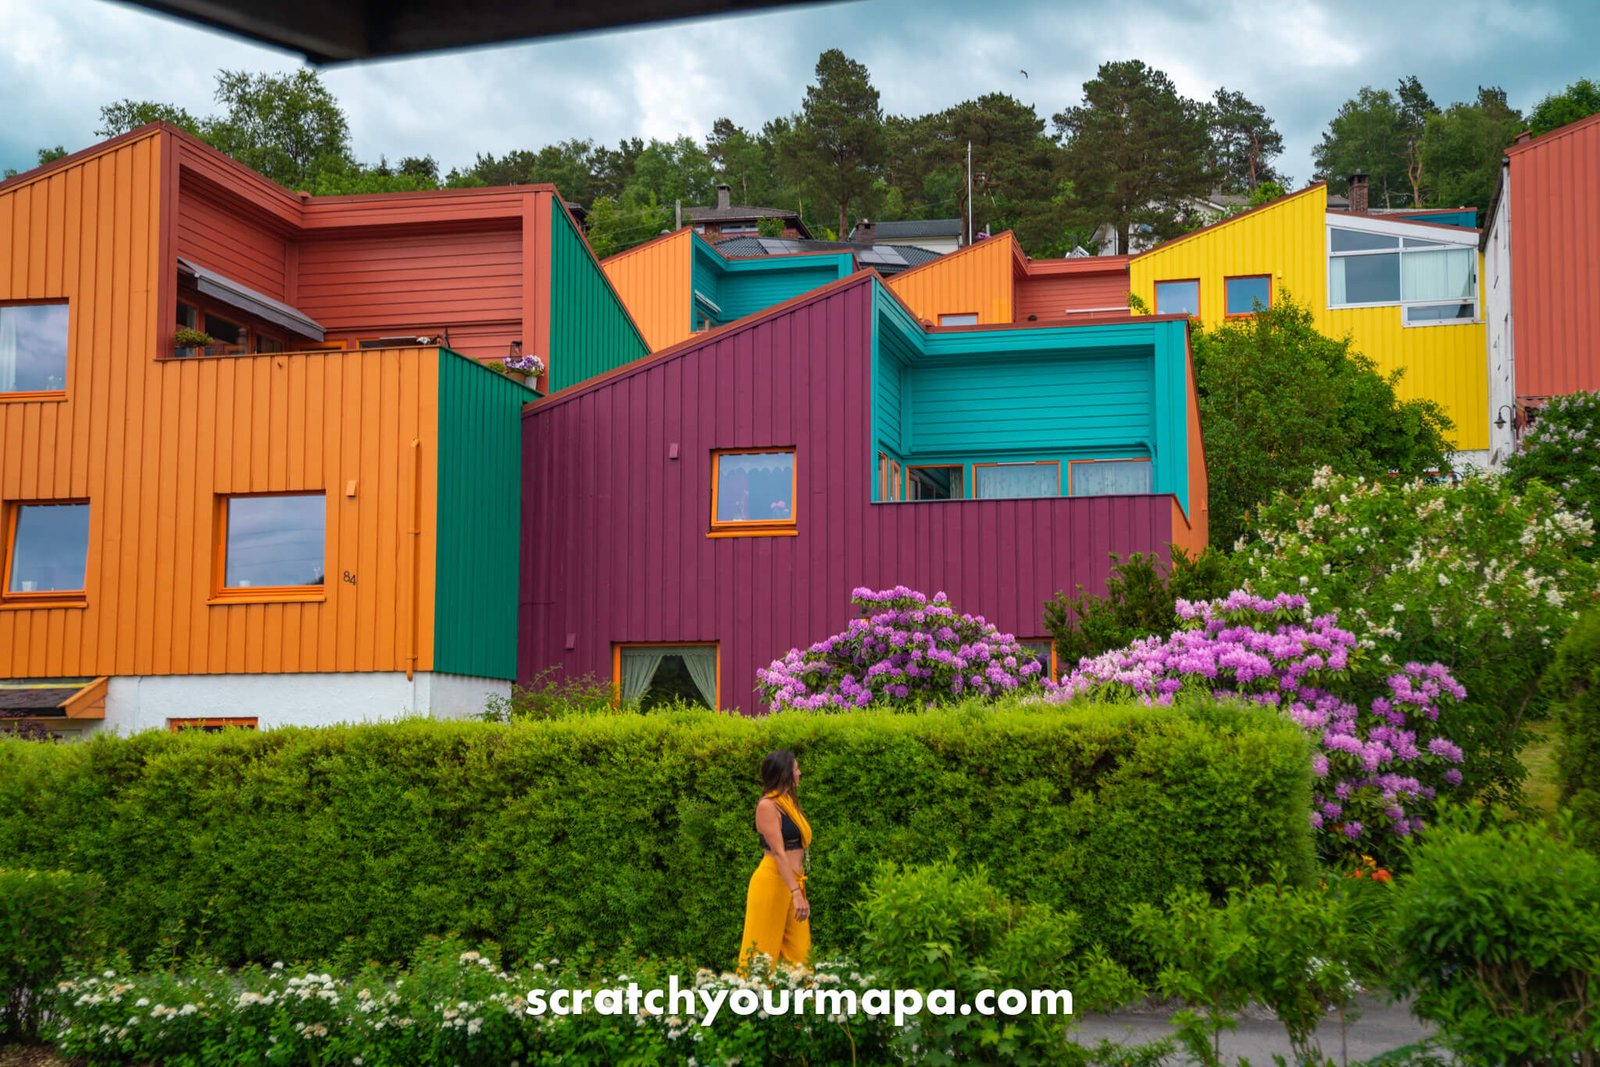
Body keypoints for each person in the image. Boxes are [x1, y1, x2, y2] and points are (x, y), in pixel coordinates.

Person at [738, 749, 812, 971]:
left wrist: (796, 889)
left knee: (801, 955)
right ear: (784, 773)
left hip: (793, 881)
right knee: (761, 953)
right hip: (773, 883)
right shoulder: (767, 806)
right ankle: (748, 1002)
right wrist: (796, 893)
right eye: (796, 768)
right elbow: (779, 853)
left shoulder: (788, 802)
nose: (799, 773)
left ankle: (803, 1004)